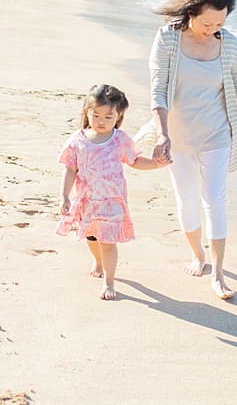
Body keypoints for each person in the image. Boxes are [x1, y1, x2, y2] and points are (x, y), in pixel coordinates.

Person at [148, 0, 237, 299]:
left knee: (215, 200)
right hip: (178, 136)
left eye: (219, 24)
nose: (213, 30)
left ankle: (218, 274)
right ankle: (198, 255)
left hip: (217, 135)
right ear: (191, 12)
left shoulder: (229, 45)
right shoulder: (167, 39)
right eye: (207, 23)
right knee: (186, 200)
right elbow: (158, 89)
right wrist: (162, 134)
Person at [57, 84, 166, 300]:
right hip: (87, 201)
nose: (101, 121)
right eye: (96, 115)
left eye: (108, 117)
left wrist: (155, 164)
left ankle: (109, 282)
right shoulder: (77, 140)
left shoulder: (120, 140)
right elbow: (70, 169)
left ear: (118, 116)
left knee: (108, 242)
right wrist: (64, 195)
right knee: (91, 237)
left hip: (112, 202)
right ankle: (97, 260)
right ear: (87, 112)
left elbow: (134, 161)